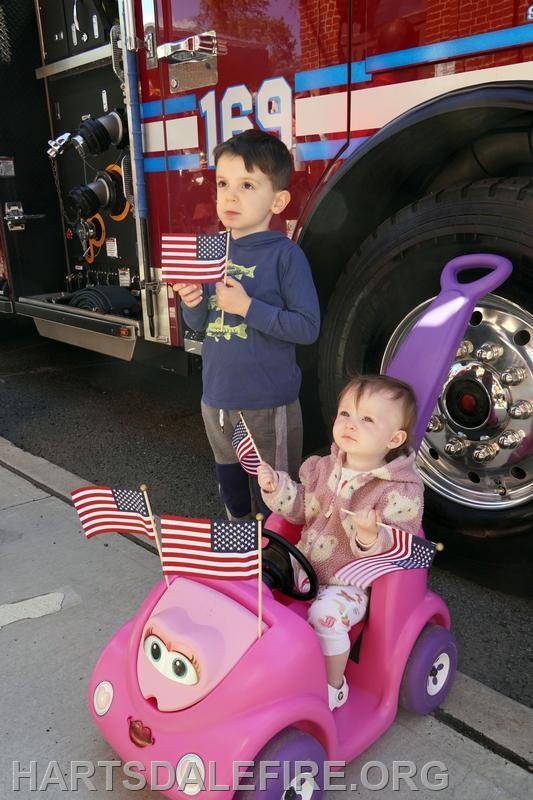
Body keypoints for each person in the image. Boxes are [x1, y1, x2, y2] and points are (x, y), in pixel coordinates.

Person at [174, 130, 320, 520]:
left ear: (279, 199)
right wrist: (190, 304)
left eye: (247, 185)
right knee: (234, 495)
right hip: (217, 400)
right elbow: (202, 323)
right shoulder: (211, 248)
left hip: (267, 404)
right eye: (222, 183)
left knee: (274, 497)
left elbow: (307, 328)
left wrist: (248, 306)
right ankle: (244, 567)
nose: (230, 196)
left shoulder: (286, 255)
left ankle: (276, 563)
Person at [257, 375, 424, 710]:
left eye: (367, 419)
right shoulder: (322, 467)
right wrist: (278, 489)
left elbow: (399, 547)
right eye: (345, 413)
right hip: (301, 562)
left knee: (325, 618)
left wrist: (370, 537)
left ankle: (333, 686)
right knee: (250, 585)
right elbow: (301, 509)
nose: (350, 424)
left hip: (347, 582)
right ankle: (256, 667)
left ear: (395, 438)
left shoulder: (399, 492)